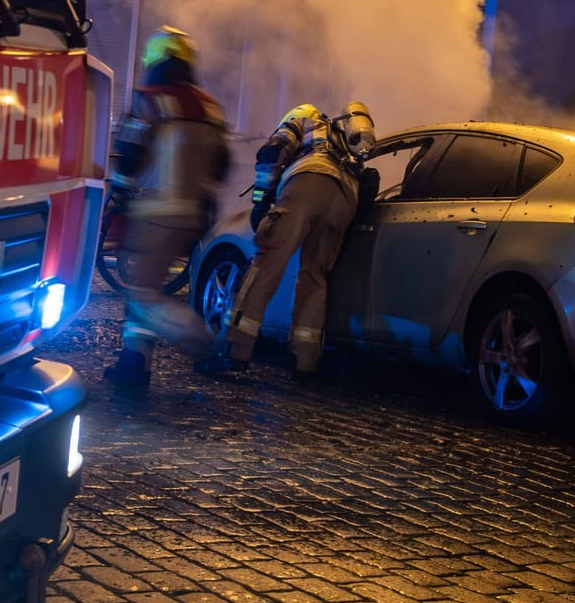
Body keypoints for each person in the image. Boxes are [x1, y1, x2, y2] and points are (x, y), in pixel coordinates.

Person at [200, 100, 376, 377]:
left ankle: (234, 352)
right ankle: (306, 362)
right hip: (344, 199)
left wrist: (260, 203)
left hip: (308, 183)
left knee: (265, 265)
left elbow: (272, 152)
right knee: (314, 277)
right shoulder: (342, 136)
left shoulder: (303, 120)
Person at [101, 27, 230, 388]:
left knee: (142, 295)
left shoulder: (150, 100)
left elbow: (129, 155)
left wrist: (121, 197)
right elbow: (222, 165)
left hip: (154, 212)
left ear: (157, 59)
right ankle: (133, 364)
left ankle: (206, 344)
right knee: (147, 289)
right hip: (193, 215)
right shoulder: (209, 106)